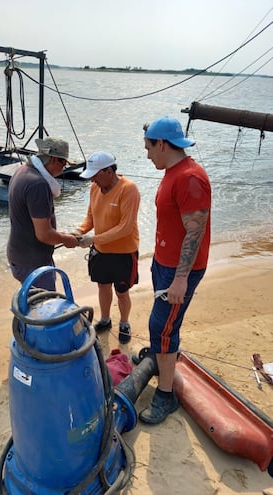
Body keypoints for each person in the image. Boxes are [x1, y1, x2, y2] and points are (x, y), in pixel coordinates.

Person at [139, 117, 211, 424]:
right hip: (165, 263)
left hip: (179, 271)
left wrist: (181, 278)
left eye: (148, 148)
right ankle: (160, 356)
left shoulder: (190, 178)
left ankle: (166, 395)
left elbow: (195, 232)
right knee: (163, 328)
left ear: (162, 144)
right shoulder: (172, 172)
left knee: (162, 328)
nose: (147, 155)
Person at [73, 151, 140, 344]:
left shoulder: (129, 189)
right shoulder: (95, 188)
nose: (92, 179)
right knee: (103, 286)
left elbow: (125, 228)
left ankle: (125, 322)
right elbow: (90, 218)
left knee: (122, 291)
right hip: (101, 250)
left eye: (95, 175)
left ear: (108, 171)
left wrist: (93, 239)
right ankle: (105, 319)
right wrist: (78, 231)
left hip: (123, 252)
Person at [7, 136, 79, 290]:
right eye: (64, 164)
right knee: (45, 307)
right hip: (33, 263)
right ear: (54, 160)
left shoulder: (23, 170)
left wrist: (59, 235)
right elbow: (44, 234)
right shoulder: (38, 184)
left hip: (19, 255)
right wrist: (66, 239)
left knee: (30, 303)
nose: (63, 169)